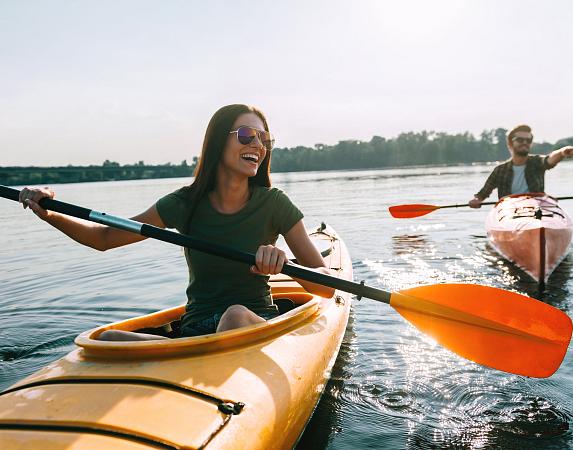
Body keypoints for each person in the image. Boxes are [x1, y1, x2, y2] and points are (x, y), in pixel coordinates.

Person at [19, 104, 335, 341]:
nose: (258, 145)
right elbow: (103, 238)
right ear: (217, 142)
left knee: (234, 316)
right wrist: (48, 212)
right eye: (246, 135)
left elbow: (324, 286)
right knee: (106, 338)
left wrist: (282, 264)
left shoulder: (274, 204)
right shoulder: (184, 203)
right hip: (195, 330)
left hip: (251, 323)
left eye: (265, 139)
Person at [468, 124, 573, 208]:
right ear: (510, 143)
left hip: (536, 208)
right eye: (520, 140)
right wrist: (477, 201)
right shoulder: (500, 170)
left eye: (528, 140)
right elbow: (483, 194)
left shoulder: (537, 162)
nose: (525, 143)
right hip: (509, 210)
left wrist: (562, 152)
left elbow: (549, 159)